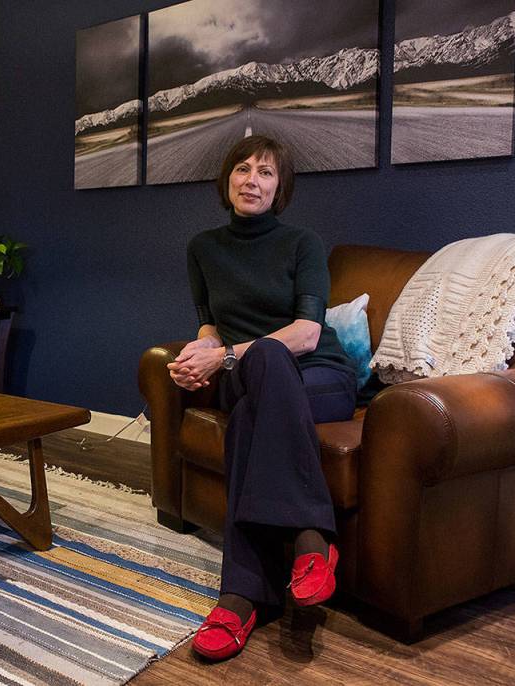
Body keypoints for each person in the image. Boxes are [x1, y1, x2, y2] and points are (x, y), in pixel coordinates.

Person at [167, 136, 356, 661]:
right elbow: (210, 324)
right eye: (243, 169)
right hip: (246, 373)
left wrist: (225, 356)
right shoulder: (202, 248)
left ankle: (241, 597)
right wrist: (198, 352)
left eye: (266, 172)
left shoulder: (302, 243)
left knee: (256, 398)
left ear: (280, 188)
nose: (253, 180)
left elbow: (308, 334)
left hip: (319, 377)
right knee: (261, 373)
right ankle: (312, 540)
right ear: (226, 180)